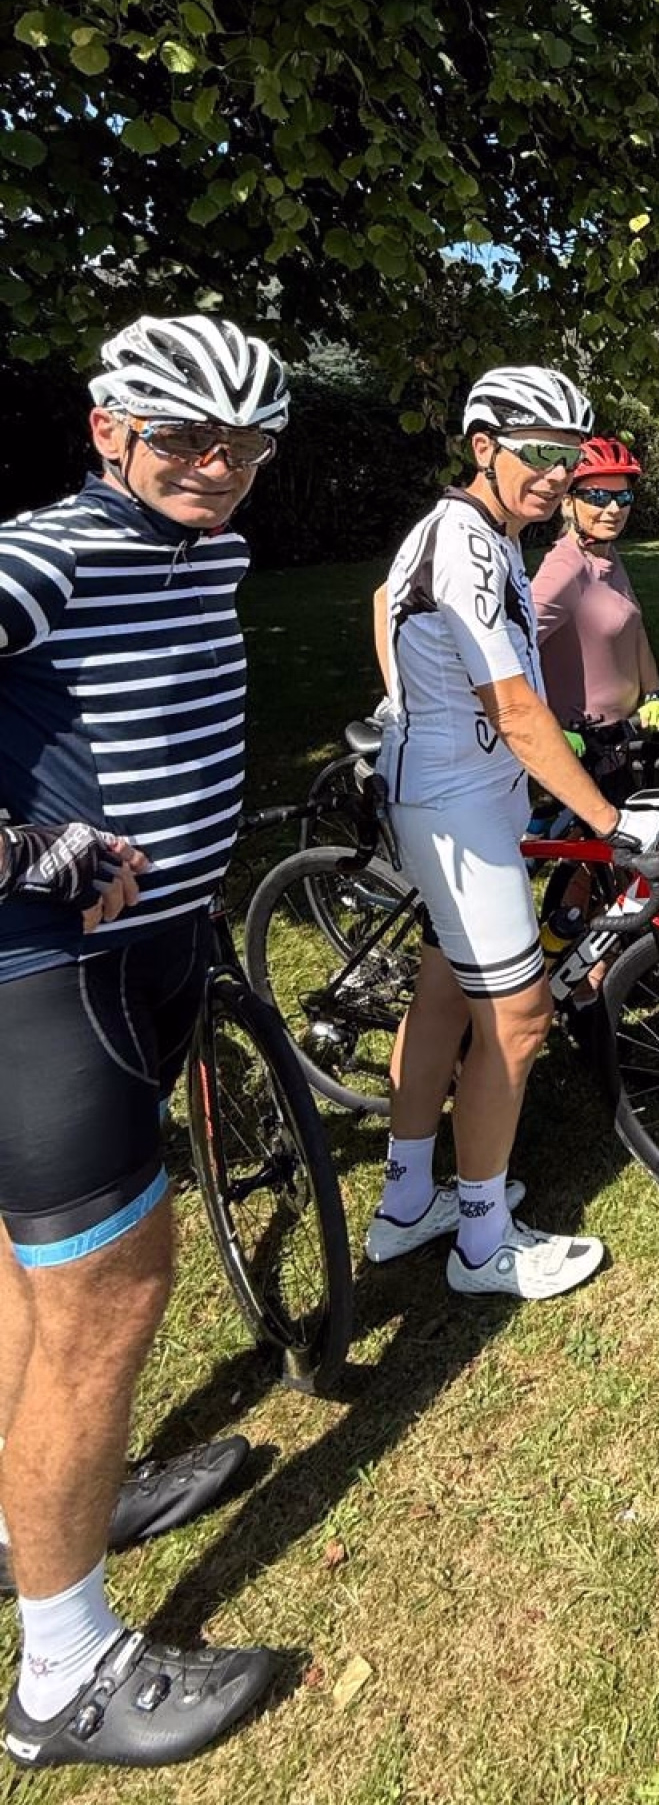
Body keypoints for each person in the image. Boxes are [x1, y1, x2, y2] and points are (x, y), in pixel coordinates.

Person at [0, 315, 290, 1771]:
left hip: (149, 954)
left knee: (34, 1280)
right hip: (54, 973)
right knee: (112, 1296)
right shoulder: (47, 552)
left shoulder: (210, 546)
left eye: (248, 442)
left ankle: (33, 1511)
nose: (220, 467)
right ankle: (63, 1674)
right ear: (110, 425)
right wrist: (33, 850)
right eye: (185, 438)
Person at [370, 367, 659, 1303]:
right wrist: (615, 823)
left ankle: (410, 1201)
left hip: (464, 793)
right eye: (537, 452)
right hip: (458, 804)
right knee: (521, 1016)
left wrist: (401, 700)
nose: (555, 473)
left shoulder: (483, 535)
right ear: (483, 445)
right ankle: (483, 1242)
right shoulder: (463, 541)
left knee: (446, 994)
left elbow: (385, 600)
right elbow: (519, 709)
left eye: (567, 457)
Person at [531, 437, 659, 737]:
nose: (612, 509)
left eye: (623, 499)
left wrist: (654, 693)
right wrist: (551, 728)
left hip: (626, 736)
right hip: (585, 744)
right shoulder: (565, 567)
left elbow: (635, 628)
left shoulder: (607, 555)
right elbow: (511, 651)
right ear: (568, 502)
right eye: (596, 497)